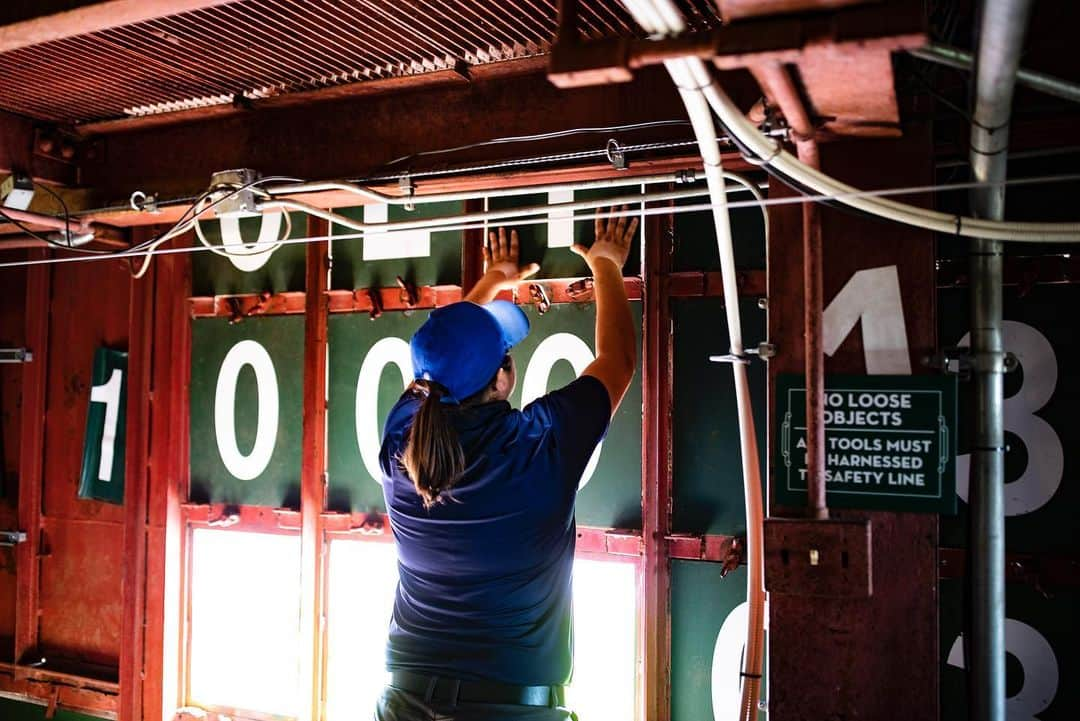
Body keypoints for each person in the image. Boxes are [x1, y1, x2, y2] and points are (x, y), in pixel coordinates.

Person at [374, 207, 639, 721]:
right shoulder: (538, 446)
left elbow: (441, 364)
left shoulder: (401, 444)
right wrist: (606, 262)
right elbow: (616, 362)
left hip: (407, 700)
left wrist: (495, 279)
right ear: (503, 377)